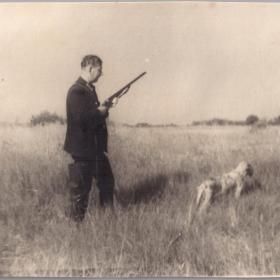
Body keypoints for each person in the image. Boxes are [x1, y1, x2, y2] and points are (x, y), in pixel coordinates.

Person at [64, 55, 115, 222]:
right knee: (80, 193)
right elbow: (83, 120)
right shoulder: (77, 91)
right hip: (83, 151)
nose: (101, 73)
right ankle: (75, 229)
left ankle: (106, 220)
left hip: (94, 150)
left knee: (107, 182)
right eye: (99, 70)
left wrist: (104, 108)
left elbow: (93, 117)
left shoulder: (88, 89)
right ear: (90, 68)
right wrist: (102, 111)